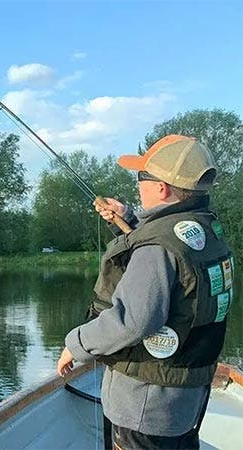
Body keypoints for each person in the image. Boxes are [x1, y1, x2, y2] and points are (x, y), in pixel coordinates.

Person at [57, 135, 234, 450]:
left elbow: (133, 321)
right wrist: (125, 221)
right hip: (186, 402)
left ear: (162, 188)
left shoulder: (157, 248)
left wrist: (76, 343)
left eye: (141, 177)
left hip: (144, 410)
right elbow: (171, 258)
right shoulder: (205, 230)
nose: (138, 185)